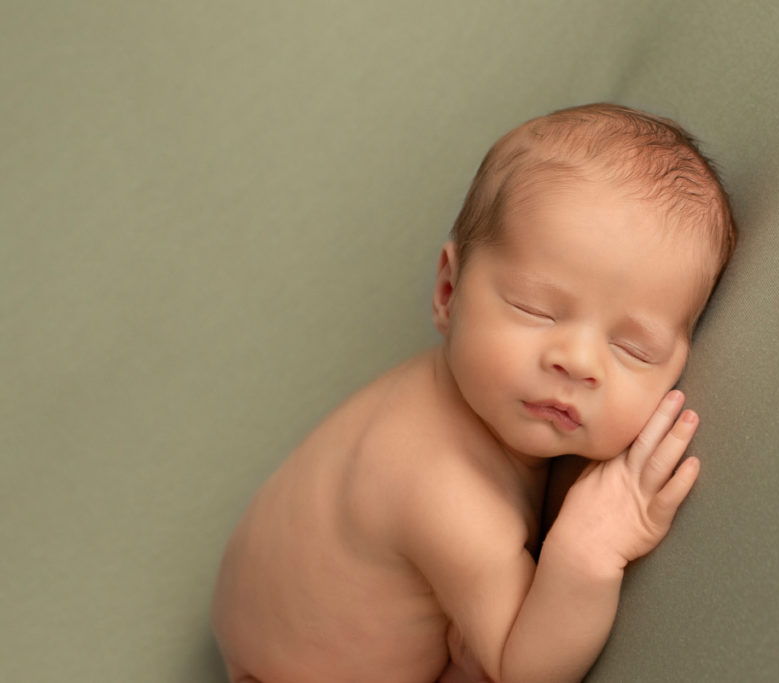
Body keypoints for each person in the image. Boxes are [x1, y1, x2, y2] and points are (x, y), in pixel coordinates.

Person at [211, 102, 736, 683]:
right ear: (448, 290)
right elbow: (527, 667)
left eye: (633, 349)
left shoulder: (448, 392)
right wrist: (589, 550)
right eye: (535, 310)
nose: (579, 362)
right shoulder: (445, 491)